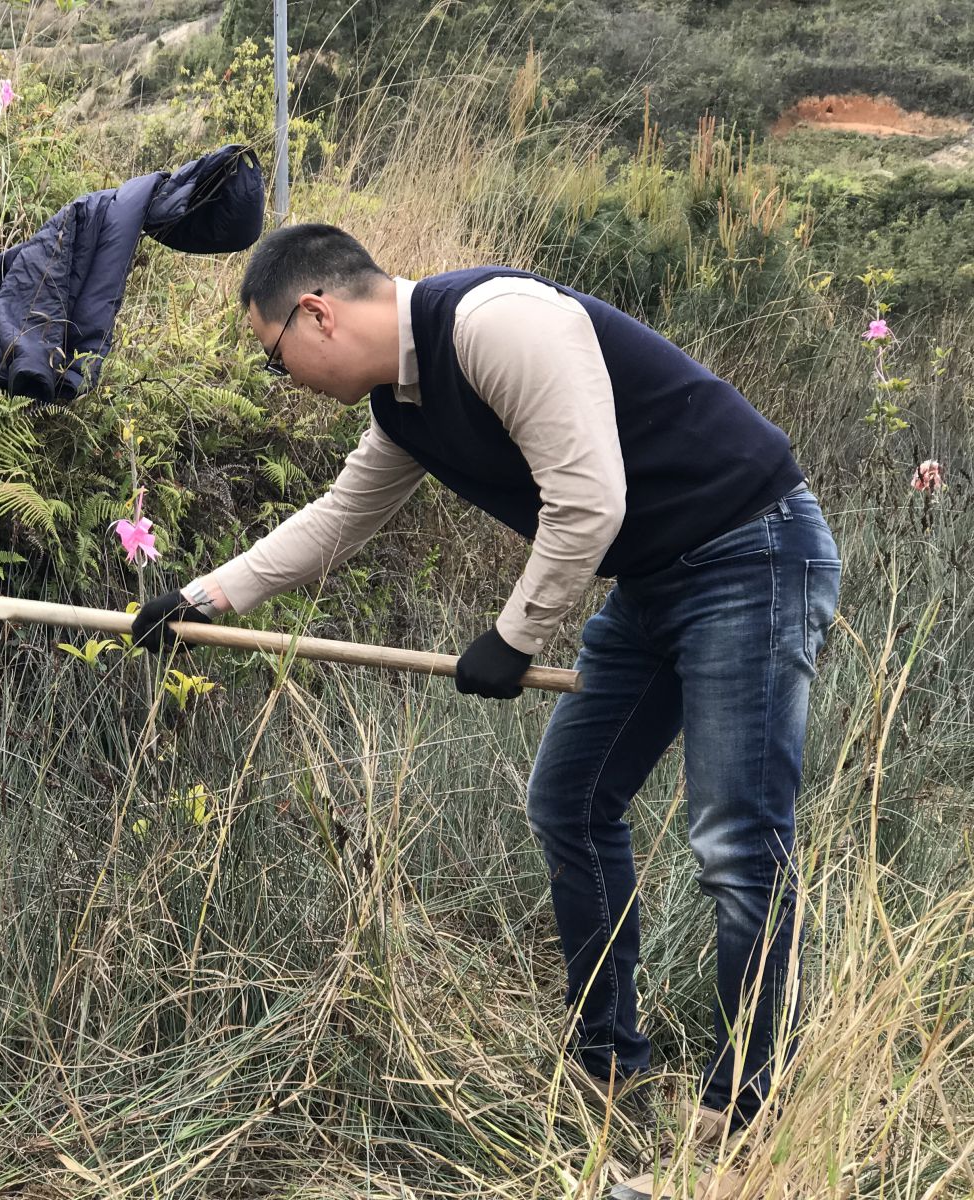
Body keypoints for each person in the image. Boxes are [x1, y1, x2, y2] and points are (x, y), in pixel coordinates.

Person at [129, 224, 842, 1200]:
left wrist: (516, 637)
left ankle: (749, 1111)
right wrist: (206, 600)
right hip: (654, 584)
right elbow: (338, 520)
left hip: (751, 555)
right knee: (570, 802)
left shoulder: (497, 324)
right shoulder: (405, 406)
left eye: (271, 358)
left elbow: (588, 500)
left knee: (734, 844)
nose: (279, 378)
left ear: (316, 313)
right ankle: (608, 1065)